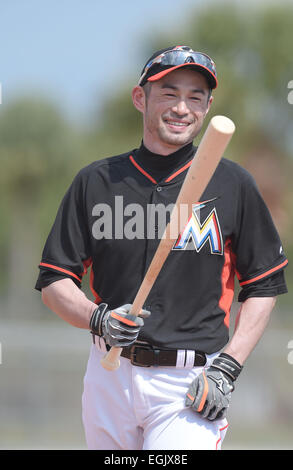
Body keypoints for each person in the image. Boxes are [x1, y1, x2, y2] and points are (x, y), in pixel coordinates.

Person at [35, 45, 288, 450]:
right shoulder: (96, 182)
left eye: (195, 97)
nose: (182, 108)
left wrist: (228, 367)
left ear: (207, 107)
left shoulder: (233, 184)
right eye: (169, 93)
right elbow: (54, 283)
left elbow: (264, 286)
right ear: (141, 98)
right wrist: (97, 318)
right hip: (109, 374)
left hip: (189, 383)